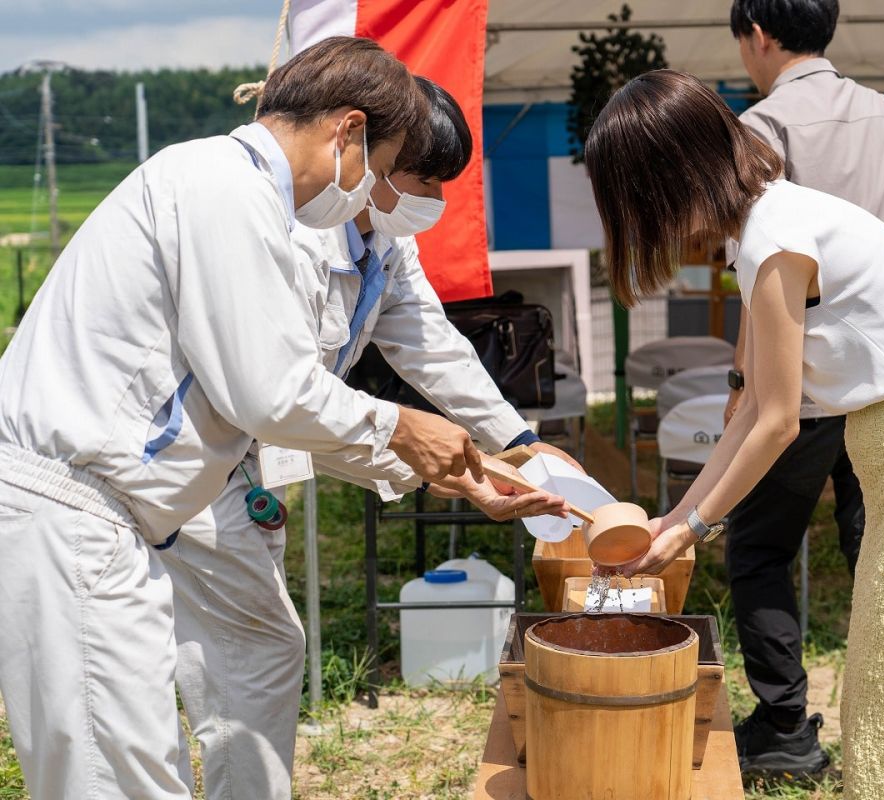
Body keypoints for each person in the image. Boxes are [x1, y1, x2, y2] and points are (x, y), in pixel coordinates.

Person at [0, 37, 487, 800]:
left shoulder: (239, 190)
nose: (372, 192)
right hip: (74, 503)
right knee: (112, 775)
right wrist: (403, 433)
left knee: (156, 742)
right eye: (383, 168)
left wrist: (444, 455)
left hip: (130, 507)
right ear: (348, 133)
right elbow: (270, 391)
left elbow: (285, 389)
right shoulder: (221, 188)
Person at [589, 70, 884, 800]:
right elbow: (754, 405)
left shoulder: (774, 238)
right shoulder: (768, 226)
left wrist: (692, 525)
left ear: (669, 177)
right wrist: (675, 522)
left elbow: (777, 422)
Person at [164, 76, 575, 799]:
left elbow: (430, 345)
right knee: (238, 656)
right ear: (372, 158)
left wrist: (517, 437)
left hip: (247, 462)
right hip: (190, 462)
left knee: (244, 657)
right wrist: (420, 449)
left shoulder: (384, 239)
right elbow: (284, 395)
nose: (435, 201)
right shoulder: (286, 230)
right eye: (423, 178)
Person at [722, 0, 884, 776]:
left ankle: (784, 728)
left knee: (761, 548)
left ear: (759, 35)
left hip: (804, 384)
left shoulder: (760, 129)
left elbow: (761, 269)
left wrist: (742, 377)